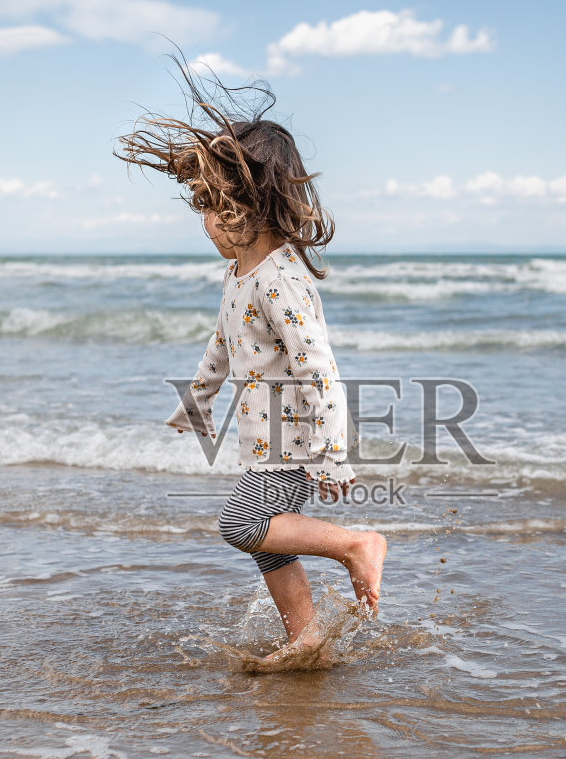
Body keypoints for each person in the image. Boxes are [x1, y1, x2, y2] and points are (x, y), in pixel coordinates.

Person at [117, 66, 385, 670]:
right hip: (262, 439)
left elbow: (320, 367)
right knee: (267, 543)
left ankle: (355, 545)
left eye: (211, 209)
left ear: (247, 208)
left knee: (242, 523)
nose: (205, 224)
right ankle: (307, 635)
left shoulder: (280, 280)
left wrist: (334, 451)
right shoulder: (240, 275)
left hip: (293, 440)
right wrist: (199, 399)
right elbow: (222, 342)